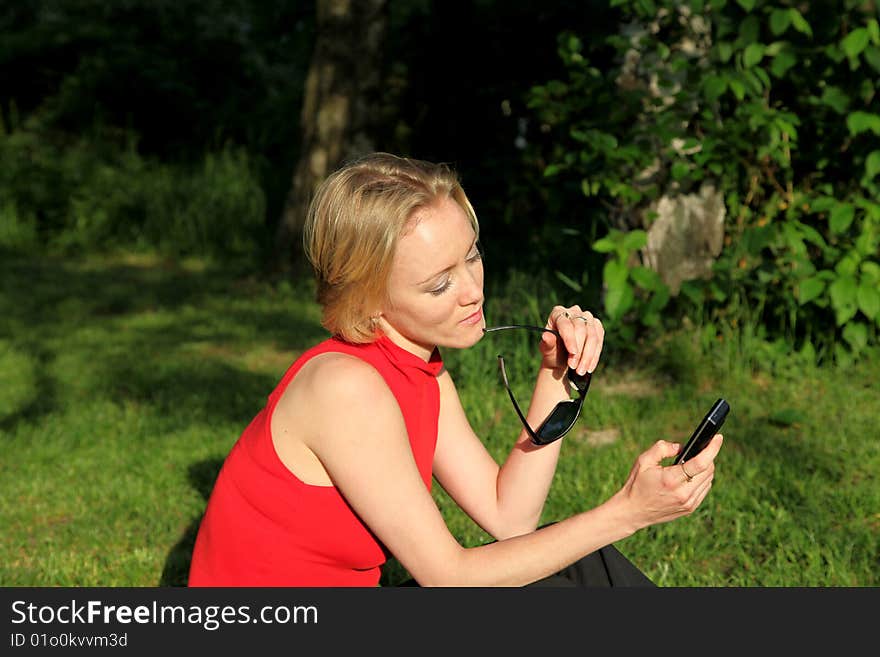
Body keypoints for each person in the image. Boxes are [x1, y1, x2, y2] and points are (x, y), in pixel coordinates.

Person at [187, 152, 724, 587]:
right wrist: (627, 512)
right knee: (574, 571)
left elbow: (508, 518)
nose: (472, 291)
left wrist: (557, 377)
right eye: (439, 283)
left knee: (572, 565)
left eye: (471, 256)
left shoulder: (421, 369)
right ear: (369, 299)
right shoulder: (345, 387)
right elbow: (449, 578)